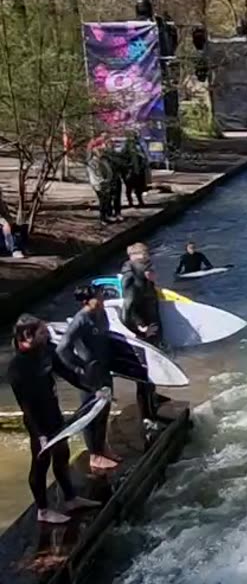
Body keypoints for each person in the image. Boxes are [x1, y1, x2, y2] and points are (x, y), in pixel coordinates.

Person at [8, 315, 104, 524]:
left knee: (62, 454)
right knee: (41, 463)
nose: (47, 334)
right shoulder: (17, 367)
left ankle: (70, 499)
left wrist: (91, 390)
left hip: (53, 412)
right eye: (42, 332)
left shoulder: (46, 351)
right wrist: (40, 435)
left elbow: (67, 374)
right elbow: (26, 405)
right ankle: (43, 511)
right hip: (37, 421)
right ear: (27, 336)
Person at [56, 286, 118, 472]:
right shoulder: (80, 320)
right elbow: (62, 349)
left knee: (104, 410)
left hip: (104, 370)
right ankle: (94, 455)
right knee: (92, 414)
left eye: (101, 296)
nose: (102, 299)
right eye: (98, 298)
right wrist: (79, 368)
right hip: (89, 375)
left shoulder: (102, 313)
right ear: (86, 301)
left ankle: (102, 447)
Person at [121, 243, 167, 432]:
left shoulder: (145, 278)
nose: (150, 259)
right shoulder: (133, 279)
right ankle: (148, 416)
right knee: (143, 376)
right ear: (137, 257)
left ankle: (154, 399)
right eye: (146, 256)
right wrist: (141, 330)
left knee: (153, 370)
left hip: (152, 330)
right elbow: (128, 310)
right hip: (142, 334)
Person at [85, 139, 117, 225]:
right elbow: (95, 175)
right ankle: (102, 218)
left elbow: (108, 171)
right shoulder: (92, 162)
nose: (102, 152)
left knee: (107, 201)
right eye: (100, 151)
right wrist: (102, 182)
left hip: (106, 183)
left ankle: (106, 216)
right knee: (102, 201)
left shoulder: (103, 160)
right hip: (99, 184)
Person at [122, 132, 148, 208]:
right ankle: (130, 202)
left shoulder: (138, 144)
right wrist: (128, 166)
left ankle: (140, 201)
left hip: (139, 170)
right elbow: (123, 156)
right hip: (130, 170)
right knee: (129, 187)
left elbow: (143, 156)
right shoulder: (126, 145)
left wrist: (143, 165)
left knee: (139, 187)